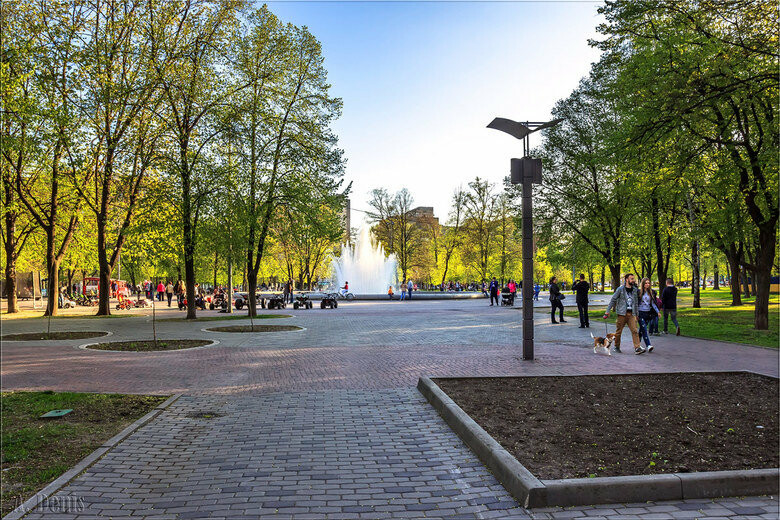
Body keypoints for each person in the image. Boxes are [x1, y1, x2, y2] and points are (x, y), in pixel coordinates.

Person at [603, 273, 645, 354]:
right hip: (622, 314)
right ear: (627, 279)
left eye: (633, 279)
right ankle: (616, 346)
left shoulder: (635, 290)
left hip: (631, 314)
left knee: (635, 331)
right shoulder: (620, 289)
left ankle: (637, 348)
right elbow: (613, 300)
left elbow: (636, 303)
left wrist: (637, 314)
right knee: (619, 332)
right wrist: (607, 311)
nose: (633, 280)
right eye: (631, 279)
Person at [637, 277, 659, 352]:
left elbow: (653, 303)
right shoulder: (639, 292)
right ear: (643, 284)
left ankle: (637, 345)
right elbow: (636, 303)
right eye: (646, 283)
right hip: (640, 313)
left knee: (641, 330)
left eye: (648, 283)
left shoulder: (651, 292)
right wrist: (636, 314)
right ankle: (648, 345)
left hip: (648, 313)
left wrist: (658, 312)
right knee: (644, 329)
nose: (647, 284)